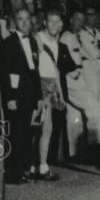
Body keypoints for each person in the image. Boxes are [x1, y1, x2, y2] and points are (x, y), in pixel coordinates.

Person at [1, 7, 42, 184]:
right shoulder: (8, 43)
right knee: (15, 133)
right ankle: (12, 173)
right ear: (14, 22)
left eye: (27, 19)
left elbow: (35, 71)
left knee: (27, 132)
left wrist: (39, 97)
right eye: (20, 19)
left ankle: (24, 169)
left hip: (30, 93)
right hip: (15, 95)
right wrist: (9, 97)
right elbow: (4, 72)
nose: (25, 23)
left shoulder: (32, 41)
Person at [62, 10, 100, 159]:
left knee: (74, 116)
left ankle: (74, 153)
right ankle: (96, 149)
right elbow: (65, 60)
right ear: (70, 20)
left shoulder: (76, 36)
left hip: (78, 78)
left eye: (82, 20)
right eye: (77, 19)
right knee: (94, 108)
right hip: (71, 79)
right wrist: (74, 74)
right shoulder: (66, 38)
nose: (80, 23)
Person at [34, 9, 66, 181]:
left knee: (46, 127)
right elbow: (33, 65)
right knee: (42, 126)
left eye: (57, 21)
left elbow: (56, 70)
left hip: (51, 84)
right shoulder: (39, 38)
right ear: (45, 22)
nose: (54, 25)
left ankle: (40, 165)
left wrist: (60, 93)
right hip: (40, 84)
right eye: (50, 21)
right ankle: (39, 167)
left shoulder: (56, 41)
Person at [78, 6, 100, 123]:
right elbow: (94, 53)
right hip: (88, 67)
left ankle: (99, 134)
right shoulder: (82, 33)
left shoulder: (96, 32)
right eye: (88, 15)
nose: (90, 17)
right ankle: (92, 135)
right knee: (92, 98)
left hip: (99, 66)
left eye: (92, 14)